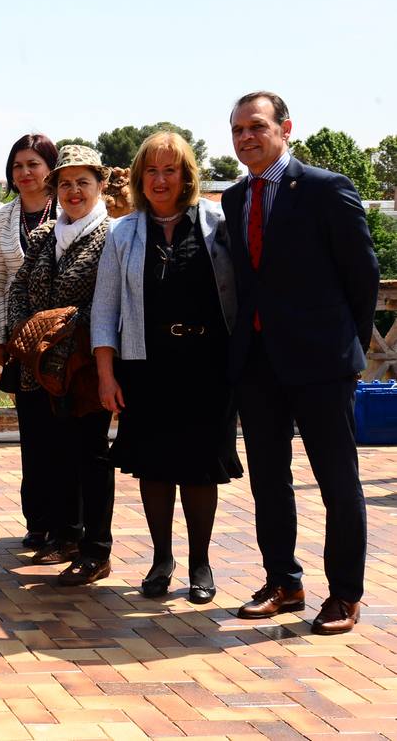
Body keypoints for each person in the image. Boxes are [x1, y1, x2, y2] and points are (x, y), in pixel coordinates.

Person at [222, 91, 377, 635]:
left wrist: (346, 350)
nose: (246, 138)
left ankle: (344, 596)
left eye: (257, 127)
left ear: (285, 128)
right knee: (269, 480)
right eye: (237, 129)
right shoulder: (236, 198)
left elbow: (362, 277)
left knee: (338, 482)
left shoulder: (326, 190)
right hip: (259, 365)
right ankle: (284, 582)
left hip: (321, 364)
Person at [92, 132, 241, 604]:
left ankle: (200, 562)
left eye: (170, 170)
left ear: (186, 175)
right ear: (139, 178)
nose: (160, 179)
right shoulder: (123, 233)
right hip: (146, 364)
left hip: (208, 365)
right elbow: (104, 308)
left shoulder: (217, 223)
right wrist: (106, 372)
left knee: (200, 469)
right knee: (154, 468)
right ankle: (161, 559)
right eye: (151, 171)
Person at [5, 143, 113, 586]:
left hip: (84, 366)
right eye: (65, 183)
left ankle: (96, 549)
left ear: (99, 185)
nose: (73, 191)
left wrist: (60, 324)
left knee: (90, 455)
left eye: (82, 183)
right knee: (55, 453)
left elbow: (108, 301)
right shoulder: (45, 235)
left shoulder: (114, 235)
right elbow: (18, 288)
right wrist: (22, 334)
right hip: (40, 365)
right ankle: (66, 535)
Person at [0, 134, 58, 550]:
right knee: (32, 433)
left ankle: (70, 522)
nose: (25, 173)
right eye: (17, 166)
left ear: (50, 167)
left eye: (33, 164)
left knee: (64, 432)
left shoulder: (69, 209)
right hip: (20, 342)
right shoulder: (2, 217)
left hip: (65, 341)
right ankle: (38, 519)